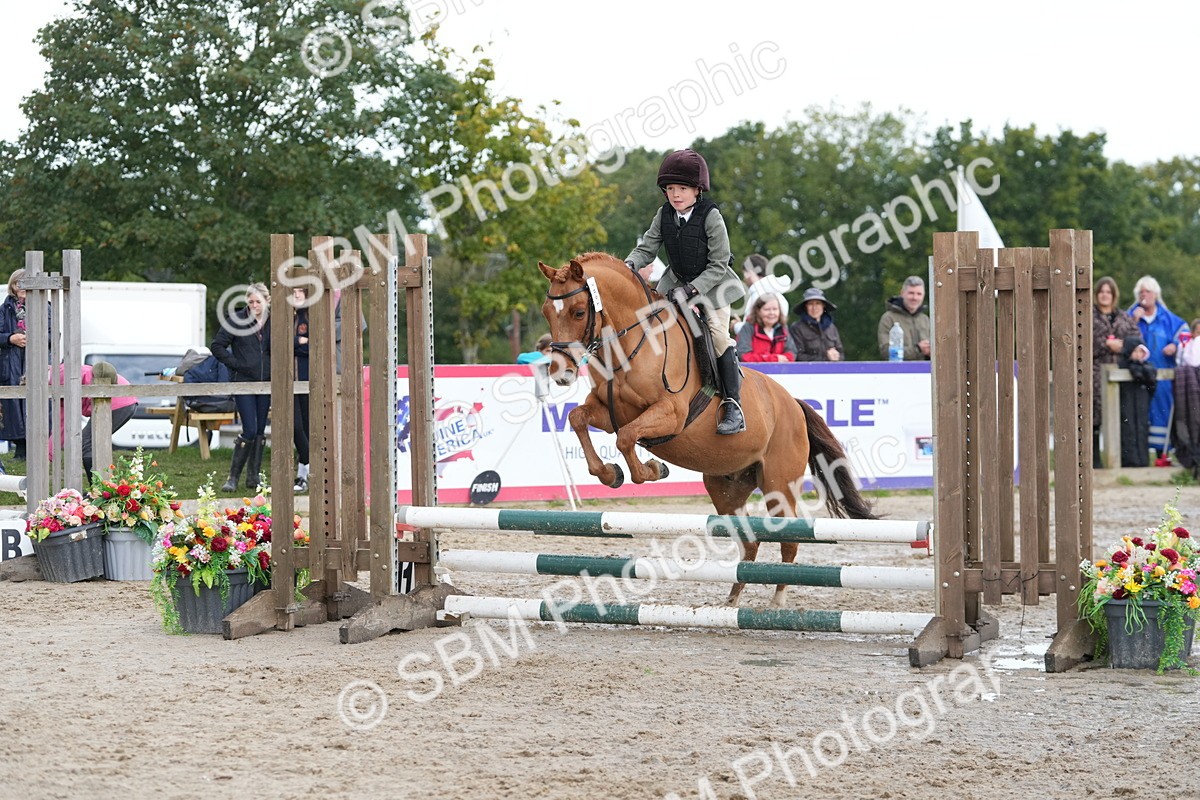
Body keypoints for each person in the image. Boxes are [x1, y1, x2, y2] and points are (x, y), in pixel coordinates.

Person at [624, 148, 746, 434]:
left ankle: (733, 404)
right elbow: (647, 248)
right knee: (646, 323)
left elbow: (718, 265)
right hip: (676, 281)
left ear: (697, 190)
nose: (675, 195)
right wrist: (628, 264)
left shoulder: (711, 216)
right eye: (670, 189)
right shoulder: (663, 214)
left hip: (713, 285)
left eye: (682, 188)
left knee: (717, 335)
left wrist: (692, 290)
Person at [211, 283, 271, 493]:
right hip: (244, 380)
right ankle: (233, 477)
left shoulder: (274, 320)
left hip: (266, 382)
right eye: (251, 301)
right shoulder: (237, 319)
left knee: (261, 430)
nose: (254, 305)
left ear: (267, 300)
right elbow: (217, 345)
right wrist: (236, 363)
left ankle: (254, 477)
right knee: (250, 429)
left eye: (258, 301)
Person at [1126, 275, 1189, 463]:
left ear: (1156, 294)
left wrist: (1175, 346)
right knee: (1139, 416)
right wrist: (1133, 322)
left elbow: (1185, 335)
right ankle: (1140, 458)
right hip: (1136, 378)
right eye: (1141, 292)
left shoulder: (1169, 320)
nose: (1144, 295)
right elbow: (1121, 338)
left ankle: (1164, 456)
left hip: (1163, 379)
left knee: (1162, 414)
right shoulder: (1130, 317)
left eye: (1148, 291)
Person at [1091, 276, 1152, 468]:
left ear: (1114, 295)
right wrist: (1105, 344)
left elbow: (1137, 340)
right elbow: (1079, 341)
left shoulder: (1124, 317)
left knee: (1120, 419)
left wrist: (1123, 346)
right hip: (1093, 375)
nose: (1105, 295)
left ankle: (1120, 462)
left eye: (1108, 292)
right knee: (1093, 421)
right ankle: (1094, 462)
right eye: (1101, 291)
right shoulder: (1087, 316)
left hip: (1120, 376)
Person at [50, 362, 138, 476]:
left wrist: (49, 453)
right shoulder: (59, 376)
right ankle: (100, 487)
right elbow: (62, 420)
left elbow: (84, 373)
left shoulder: (59, 376)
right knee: (93, 443)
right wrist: (50, 452)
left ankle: (97, 489)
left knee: (87, 444)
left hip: (115, 402)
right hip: (125, 400)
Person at [0, 269, 29, 460]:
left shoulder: (45, 306)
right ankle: (20, 448)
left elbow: (53, 334)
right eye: (19, 283)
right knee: (13, 407)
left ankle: (35, 447)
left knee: (33, 404)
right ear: (12, 285)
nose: (22, 287)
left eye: (26, 283)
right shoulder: (4, 309)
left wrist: (30, 338)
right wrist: (11, 338)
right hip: (10, 364)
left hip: (33, 361)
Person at [877, 276, 931, 360]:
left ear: (924, 295)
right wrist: (918, 349)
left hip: (925, 371)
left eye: (919, 294)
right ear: (902, 293)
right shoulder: (888, 318)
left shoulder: (926, 320)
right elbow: (886, 352)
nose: (915, 298)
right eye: (911, 293)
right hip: (899, 371)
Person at [733, 254, 791, 334]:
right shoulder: (779, 296)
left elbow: (753, 332)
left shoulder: (758, 296)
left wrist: (736, 325)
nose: (744, 278)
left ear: (750, 272)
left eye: (744, 273)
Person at [735, 293, 796, 363]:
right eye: (767, 309)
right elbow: (744, 356)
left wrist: (784, 358)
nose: (772, 313)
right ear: (758, 311)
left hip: (780, 372)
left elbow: (792, 353)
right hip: (753, 372)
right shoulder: (748, 328)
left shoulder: (783, 329)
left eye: (775, 309)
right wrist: (775, 359)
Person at [790, 287, 844, 362]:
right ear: (805, 307)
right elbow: (797, 356)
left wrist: (836, 356)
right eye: (810, 304)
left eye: (818, 303)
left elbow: (841, 353)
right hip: (807, 372)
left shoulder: (832, 328)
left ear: (823, 306)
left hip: (831, 372)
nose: (814, 308)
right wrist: (826, 357)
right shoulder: (797, 328)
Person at [291, 286, 311, 493]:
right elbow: (277, 343)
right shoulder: (282, 314)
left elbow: (312, 345)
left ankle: (302, 476)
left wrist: (297, 343)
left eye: (300, 291)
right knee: (294, 427)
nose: (296, 295)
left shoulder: (311, 315)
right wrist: (297, 341)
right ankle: (309, 465)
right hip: (287, 381)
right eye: (293, 291)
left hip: (308, 379)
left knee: (308, 426)